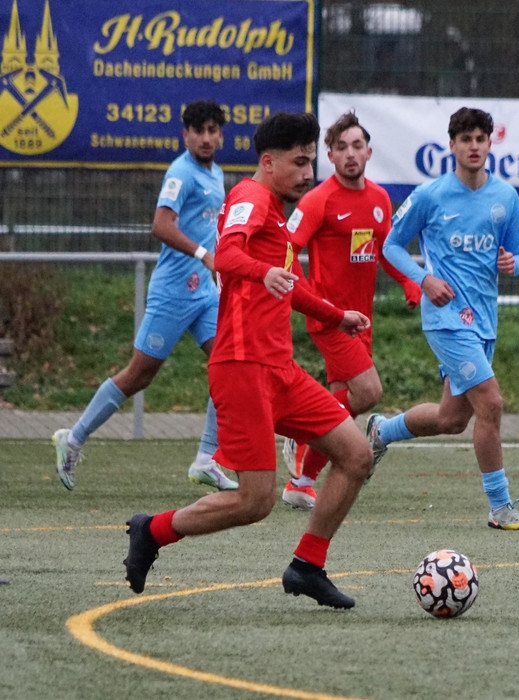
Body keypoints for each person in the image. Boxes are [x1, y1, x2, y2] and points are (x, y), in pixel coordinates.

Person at [122, 111, 374, 608]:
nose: (307, 173)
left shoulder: (275, 210)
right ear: (268, 161)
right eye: (299, 163)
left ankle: (307, 566)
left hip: (280, 370)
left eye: (311, 162)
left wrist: (335, 315)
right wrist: (262, 273)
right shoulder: (249, 198)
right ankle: (152, 530)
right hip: (242, 367)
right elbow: (227, 256)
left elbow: (289, 284)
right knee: (255, 501)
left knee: (356, 455)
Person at [370, 106, 519, 531]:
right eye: (466, 139)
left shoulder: (505, 197)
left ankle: (381, 432)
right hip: (446, 319)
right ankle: (500, 508)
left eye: (480, 139)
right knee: (492, 403)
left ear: (489, 144)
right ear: (451, 145)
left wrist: (513, 263)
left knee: (452, 419)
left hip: (484, 320)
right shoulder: (430, 195)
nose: (474, 146)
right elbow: (390, 246)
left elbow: (518, 254)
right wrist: (424, 280)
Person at [52, 100, 237, 492]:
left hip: (204, 292)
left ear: (220, 135)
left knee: (231, 363)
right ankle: (73, 437)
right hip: (172, 292)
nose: (205, 138)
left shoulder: (217, 173)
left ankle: (206, 458)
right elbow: (161, 225)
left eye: (212, 131)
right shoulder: (181, 173)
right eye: (198, 131)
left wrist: (220, 262)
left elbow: (209, 230)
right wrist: (204, 255)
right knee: (140, 374)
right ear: (185, 135)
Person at [280, 110, 421, 510]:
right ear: (330, 156)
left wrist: (410, 281)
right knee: (369, 392)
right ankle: (303, 433)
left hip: (361, 321)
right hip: (330, 319)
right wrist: (310, 299)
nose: (350, 154)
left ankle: (302, 482)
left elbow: (385, 249)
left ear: (369, 152)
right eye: (341, 147)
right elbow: (287, 249)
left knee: (344, 403)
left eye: (357, 146)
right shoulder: (318, 200)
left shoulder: (379, 199)